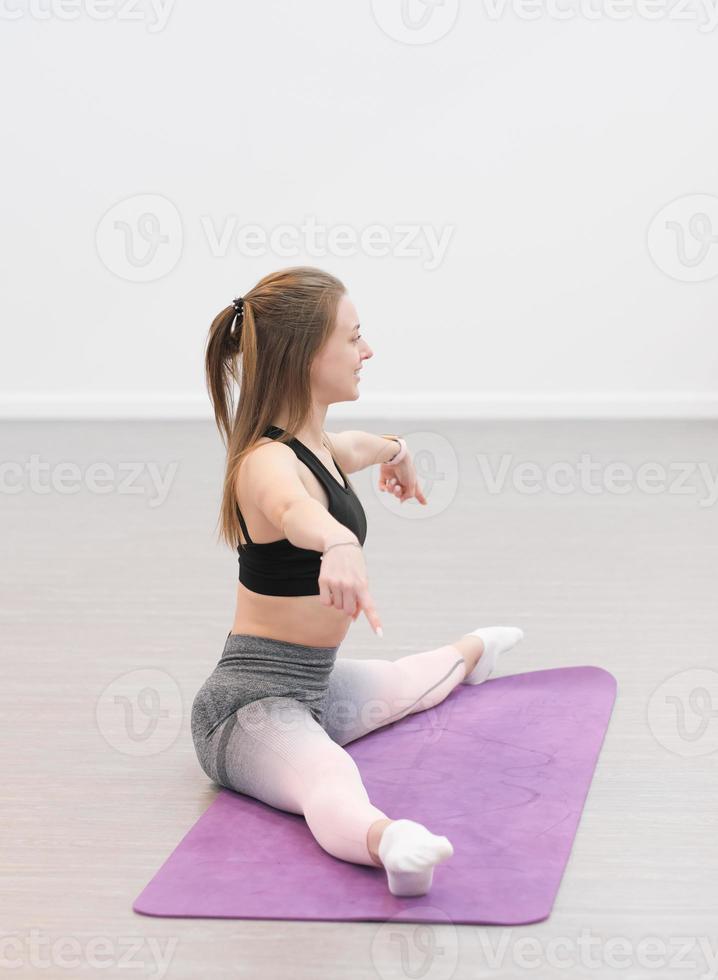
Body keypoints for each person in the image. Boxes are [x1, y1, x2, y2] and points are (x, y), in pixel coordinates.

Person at [190, 265, 525, 897]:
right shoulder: (263, 465)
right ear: (306, 355)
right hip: (245, 708)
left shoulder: (313, 443)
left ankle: (474, 652)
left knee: (406, 682)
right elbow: (294, 510)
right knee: (329, 775)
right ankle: (393, 846)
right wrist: (339, 542)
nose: (365, 351)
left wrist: (397, 452)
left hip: (313, 687)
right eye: (353, 337)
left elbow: (358, 446)